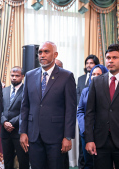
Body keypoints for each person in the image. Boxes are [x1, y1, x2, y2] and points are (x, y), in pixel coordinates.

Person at [19, 41, 77, 169]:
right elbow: (25, 106)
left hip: (56, 137)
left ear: (55, 54)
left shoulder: (66, 76)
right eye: (40, 52)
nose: (42, 55)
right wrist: (23, 131)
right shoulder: (29, 75)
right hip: (33, 136)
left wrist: (68, 136)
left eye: (46, 51)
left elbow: (70, 110)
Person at [77, 64, 108, 169]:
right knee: (88, 163)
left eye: (98, 74)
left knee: (102, 163)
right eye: (93, 74)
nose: (95, 76)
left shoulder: (109, 92)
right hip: (86, 132)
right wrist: (84, 128)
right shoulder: (85, 91)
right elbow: (80, 110)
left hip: (102, 133)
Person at [1, 66, 29, 169]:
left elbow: (27, 110)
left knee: (23, 160)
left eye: (17, 76)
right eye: (12, 75)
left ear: (22, 76)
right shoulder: (4, 90)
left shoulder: (27, 90)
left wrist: (12, 122)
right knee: (7, 161)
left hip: (19, 131)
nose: (14, 78)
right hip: (5, 132)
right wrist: (4, 122)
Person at [76, 54, 99, 168]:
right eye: (87, 63)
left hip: (99, 130)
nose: (88, 65)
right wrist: (83, 127)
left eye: (91, 63)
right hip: (84, 124)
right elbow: (79, 104)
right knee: (84, 152)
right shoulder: (81, 81)